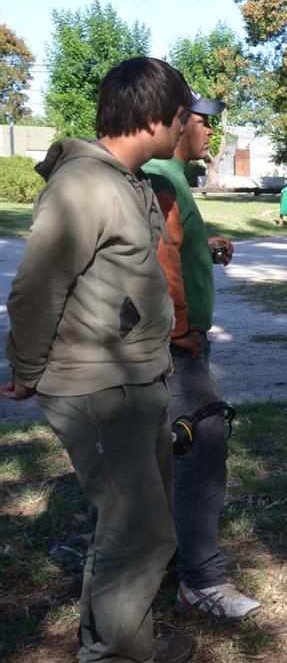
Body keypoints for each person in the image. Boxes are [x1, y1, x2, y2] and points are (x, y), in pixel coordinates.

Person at [1, 57, 197, 663]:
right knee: (135, 533)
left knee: (136, 527)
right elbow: (36, 287)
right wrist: (27, 370)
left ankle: (120, 641)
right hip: (98, 389)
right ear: (152, 117)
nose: (188, 126)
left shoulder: (128, 180)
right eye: (182, 116)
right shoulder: (84, 184)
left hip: (134, 382)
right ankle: (114, 654)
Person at [143, 92, 261, 620]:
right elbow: (159, 258)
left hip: (178, 337)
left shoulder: (171, 176)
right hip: (176, 341)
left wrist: (204, 241)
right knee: (202, 440)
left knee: (172, 451)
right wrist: (182, 327)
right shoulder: (160, 174)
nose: (209, 131)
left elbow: (175, 242)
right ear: (175, 123)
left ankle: (169, 559)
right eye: (201, 122)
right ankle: (200, 579)